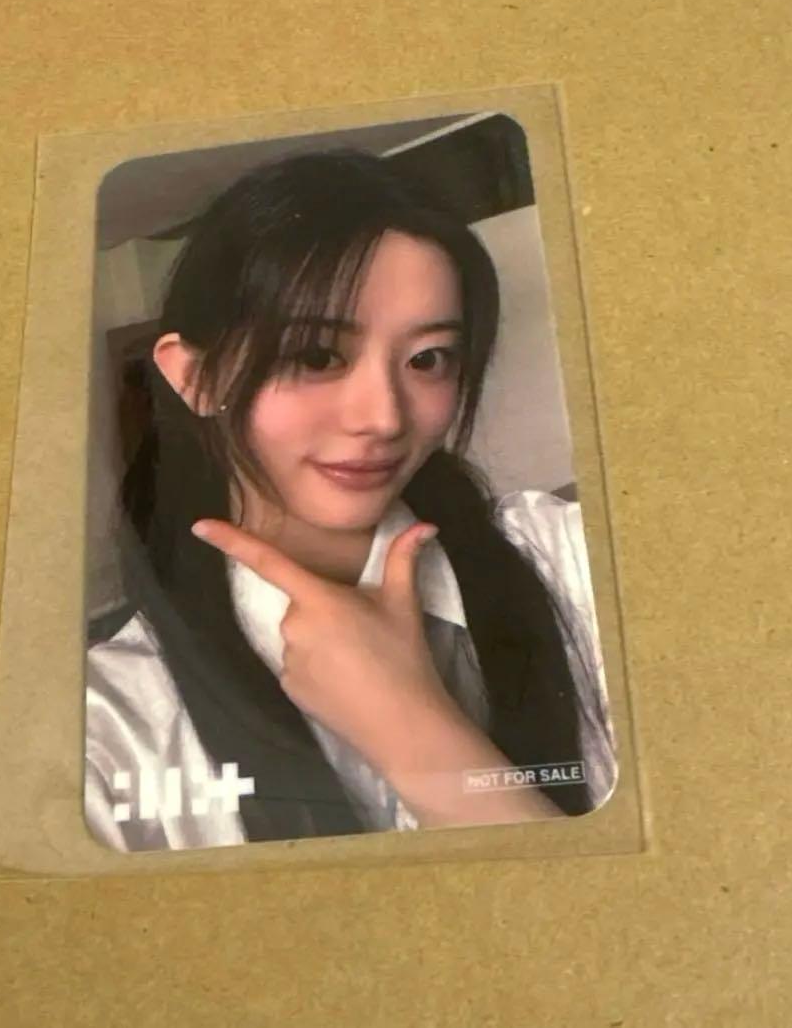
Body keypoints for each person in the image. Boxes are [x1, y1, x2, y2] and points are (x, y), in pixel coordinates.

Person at [84, 148, 616, 853]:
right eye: (316, 356)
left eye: (428, 360)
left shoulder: (570, 561)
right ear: (197, 378)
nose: (384, 418)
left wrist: (409, 728)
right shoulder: (106, 737)